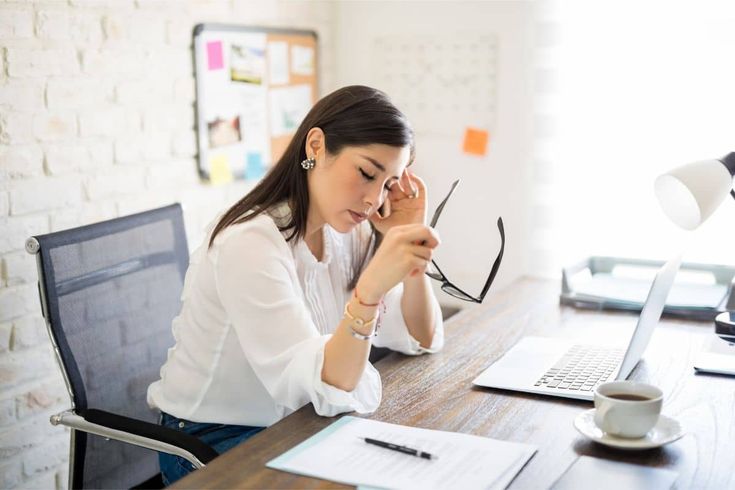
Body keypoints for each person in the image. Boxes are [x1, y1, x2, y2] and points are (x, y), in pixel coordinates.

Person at [147, 85, 445, 485]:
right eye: (367, 173)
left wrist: (411, 242)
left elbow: (419, 335)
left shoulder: (347, 230)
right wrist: (368, 294)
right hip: (210, 442)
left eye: (388, 184)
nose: (375, 199)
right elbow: (328, 385)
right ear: (317, 147)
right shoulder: (249, 242)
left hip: (295, 423)